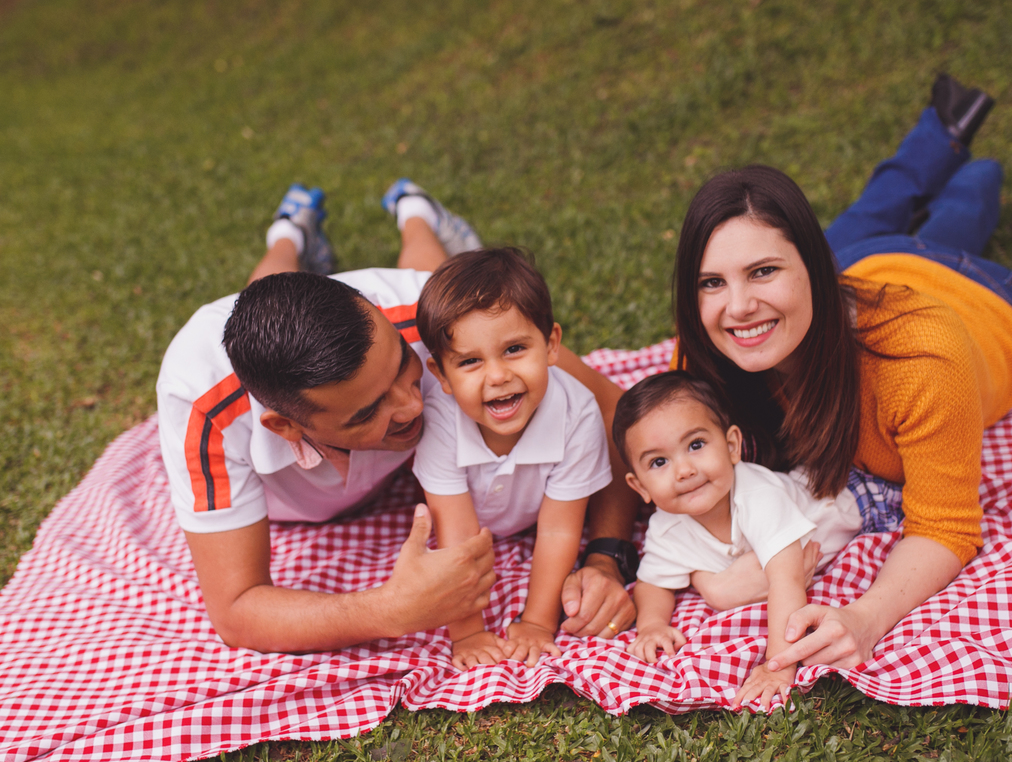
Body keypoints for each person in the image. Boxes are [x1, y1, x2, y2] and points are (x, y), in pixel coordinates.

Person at [156, 180, 636, 654]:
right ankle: (288, 235)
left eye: (405, 370)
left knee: (431, 272)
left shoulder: (422, 314)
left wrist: (607, 556)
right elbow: (237, 613)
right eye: (368, 411)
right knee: (259, 292)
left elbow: (613, 408)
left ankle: (417, 213)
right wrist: (388, 610)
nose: (413, 407)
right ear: (286, 427)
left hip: (409, 291)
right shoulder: (204, 407)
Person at [669, 74, 1012, 670]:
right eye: (712, 282)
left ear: (813, 270)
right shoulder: (709, 352)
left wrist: (865, 617)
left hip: (980, 298)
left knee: (960, 218)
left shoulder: (922, 361)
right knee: (871, 213)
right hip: (866, 270)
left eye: (763, 271)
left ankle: (979, 175)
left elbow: (947, 525)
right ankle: (946, 132)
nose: (736, 307)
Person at [413, 248, 612, 670]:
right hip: (468, 520)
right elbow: (457, 532)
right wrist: (467, 631)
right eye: (469, 362)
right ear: (442, 377)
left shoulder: (577, 413)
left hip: (534, 522)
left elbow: (559, 531)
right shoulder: (440, 418)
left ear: (551, 345)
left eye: (515, 349)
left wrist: (538, 622)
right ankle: (412, 215)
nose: (498, 376)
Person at [613, 372, 861, 706]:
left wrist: (778, 665)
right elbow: (652, 584)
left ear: (732, 446)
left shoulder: (757, 496)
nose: (684, 470)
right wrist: (652, 625)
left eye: (696, 445)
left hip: (854, 500)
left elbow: (787, 581)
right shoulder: (667, 527)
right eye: (659, 462)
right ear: (640, 486)